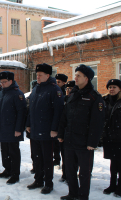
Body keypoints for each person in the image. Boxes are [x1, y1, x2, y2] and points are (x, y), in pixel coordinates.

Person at [58, 64, 105, 200]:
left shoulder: (95, 97)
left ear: (87, 78)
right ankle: (72, 194)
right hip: (69, 140)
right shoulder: (73, 94)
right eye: (75, 75)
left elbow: (97, 122)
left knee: (84, 172)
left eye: (78, 75)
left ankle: (83, 196)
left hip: (85, 143)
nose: (75, 78)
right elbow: (64, 116)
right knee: (70, 170)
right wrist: (61, 134)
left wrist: (92, 142)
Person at [26, 63, 64, 194]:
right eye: (37, 75)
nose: (38, 77)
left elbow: (58, 112)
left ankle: (48, 183)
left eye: (40, 75)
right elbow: (31, 108)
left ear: (48, 75)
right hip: (35, 130)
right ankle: (38, 179)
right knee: (36, 157)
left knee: (47, 159)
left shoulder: (55, 90)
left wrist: (54, 129)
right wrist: (28, 124)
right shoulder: (36, 88)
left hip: (47, 131)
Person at [0, 71, 27, 184]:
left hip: (13, 129)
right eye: (1, 82)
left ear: (11, 81)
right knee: (4, 151)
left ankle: (15, 174)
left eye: (4, 82)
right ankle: (7, 170)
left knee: (13, 152)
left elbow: (21, 113)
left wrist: (18, 129)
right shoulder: (1, 93)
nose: (2, 84)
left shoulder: (17, 94)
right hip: (2, 128)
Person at [102, 79, 121, 197]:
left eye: (114, 87)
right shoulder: (105, 101)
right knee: (113, 162)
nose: (111, 89)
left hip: (120, 137)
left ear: (119, 89)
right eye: (110, 87)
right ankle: (112, 184)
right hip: (109, 137)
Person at [59, 80, 75, 183]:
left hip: (73, 132)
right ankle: (65, 174)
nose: (68, 90)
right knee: (64, 155)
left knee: (73, 157)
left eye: (70, 89)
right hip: (63, 131)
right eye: (67, 89)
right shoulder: (63, 100)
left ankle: (71, 175)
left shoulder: (75, 100)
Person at [53, 74, 68, 166]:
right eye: (56, 81)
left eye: (59, 82)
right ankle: (56, 158)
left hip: (63, 120)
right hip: (56, 119)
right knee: (55, 142)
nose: (57, 83)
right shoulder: (54, 90)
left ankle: (62, 161)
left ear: (63, 83)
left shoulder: (65, 91)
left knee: (60, 143)